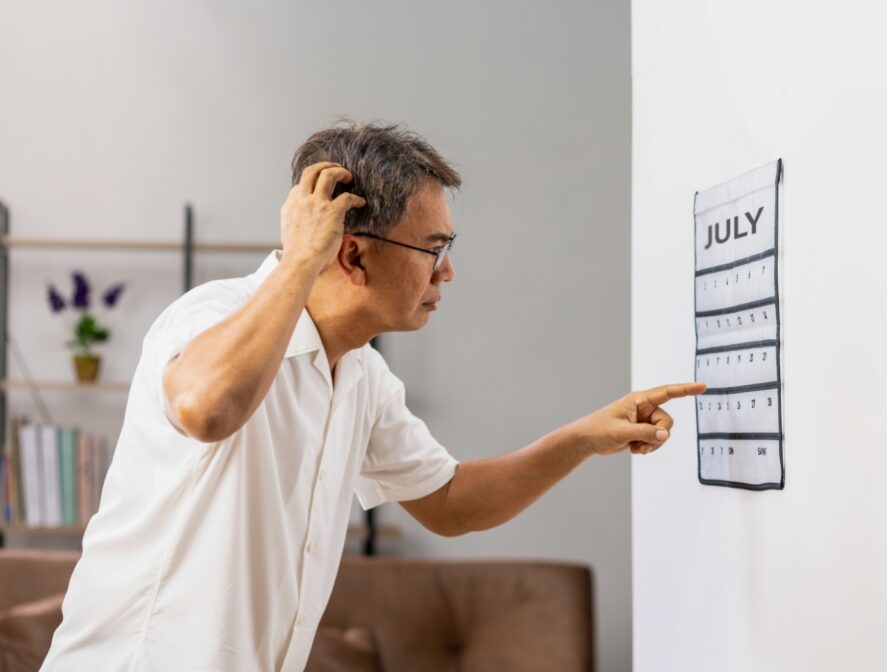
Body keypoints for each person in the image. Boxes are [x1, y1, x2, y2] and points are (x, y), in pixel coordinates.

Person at [41, 121, 705, 671]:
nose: (447, 271)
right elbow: (206, 409)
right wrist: (302, 258)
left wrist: (585, 437)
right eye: (433, 247)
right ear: (352, 256)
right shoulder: (210, 316)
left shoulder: (362, 378)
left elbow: (449, 502)